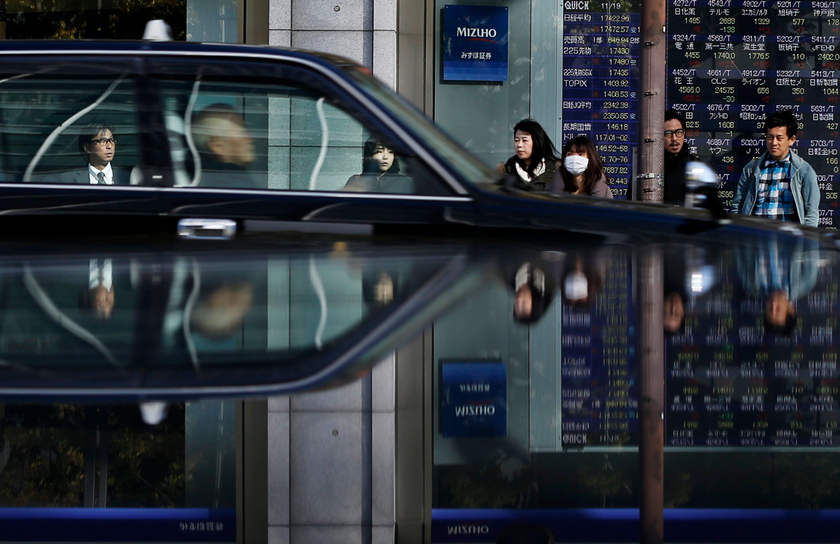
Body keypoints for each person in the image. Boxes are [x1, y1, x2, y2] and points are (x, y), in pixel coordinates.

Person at [732, 110, 820, 227]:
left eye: (779, 138)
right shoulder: (751, 169)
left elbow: (811, 214)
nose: (774, 142)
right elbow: (737, 206)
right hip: (756, 239)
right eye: (770, 137)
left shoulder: (804, 171)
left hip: (789, 241)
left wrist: (807, 241)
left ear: (791, 140)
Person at [190, 103, 260, 188]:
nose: (250, 139)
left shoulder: (207, 180)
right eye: (242, 131)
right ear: (217, 146)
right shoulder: (235, 186)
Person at [497, 119, 562, 191]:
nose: (519, 145)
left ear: (536, 141)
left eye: (524, 140)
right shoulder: (510, 167)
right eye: (516, 140)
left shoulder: (555, 168)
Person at [57, 124, 132, 184]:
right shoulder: (70, 180)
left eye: (111, 140)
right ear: (87, 148)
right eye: (103, 141)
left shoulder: (128, 177)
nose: (109, 146)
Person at [344, 138, 410, 193]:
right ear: (369, 155)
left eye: (390, 152)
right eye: (379, 151)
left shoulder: (404, 181)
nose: (385, 157)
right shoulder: (356, 180)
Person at [663, 109, 696, 205]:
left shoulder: (694, 165)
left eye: (679, 132)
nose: (674, 139)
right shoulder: (649, 165)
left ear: (684, 133)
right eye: (668, 133)